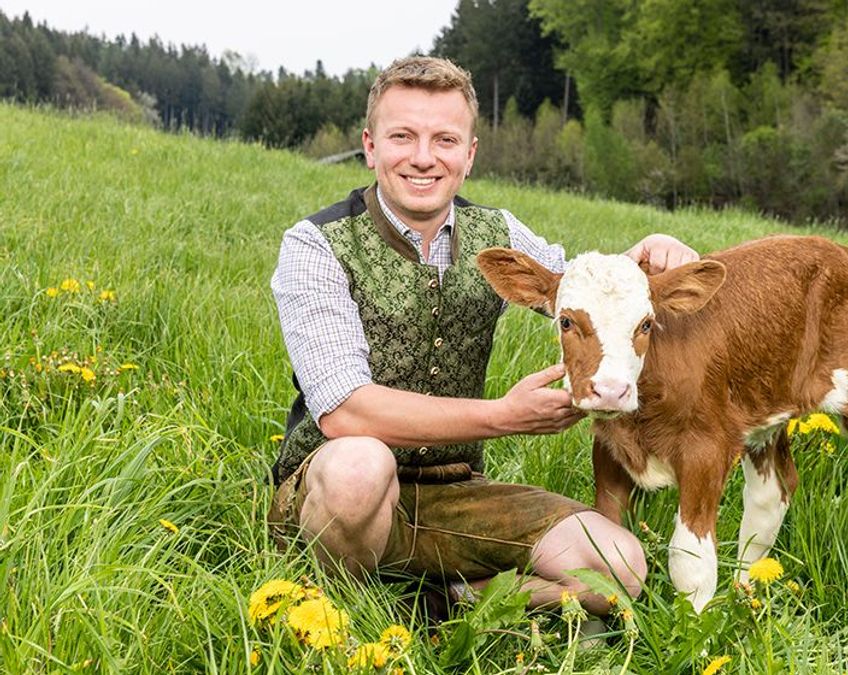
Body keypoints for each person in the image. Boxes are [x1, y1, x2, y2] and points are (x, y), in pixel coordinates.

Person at [267, 56, 698, 617]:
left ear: (468, 155)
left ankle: (452, 605)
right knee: (359, 466)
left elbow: (579, 290)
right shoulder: (316, 245)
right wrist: (503, 416)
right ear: (371, 147)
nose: (424, 158)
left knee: (620, 566)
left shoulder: (496, 233)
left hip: (455, 492)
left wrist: (646, 254)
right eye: (403, 137)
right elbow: (346, 412)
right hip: (332, 494)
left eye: (445, 139)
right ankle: (348, 602)